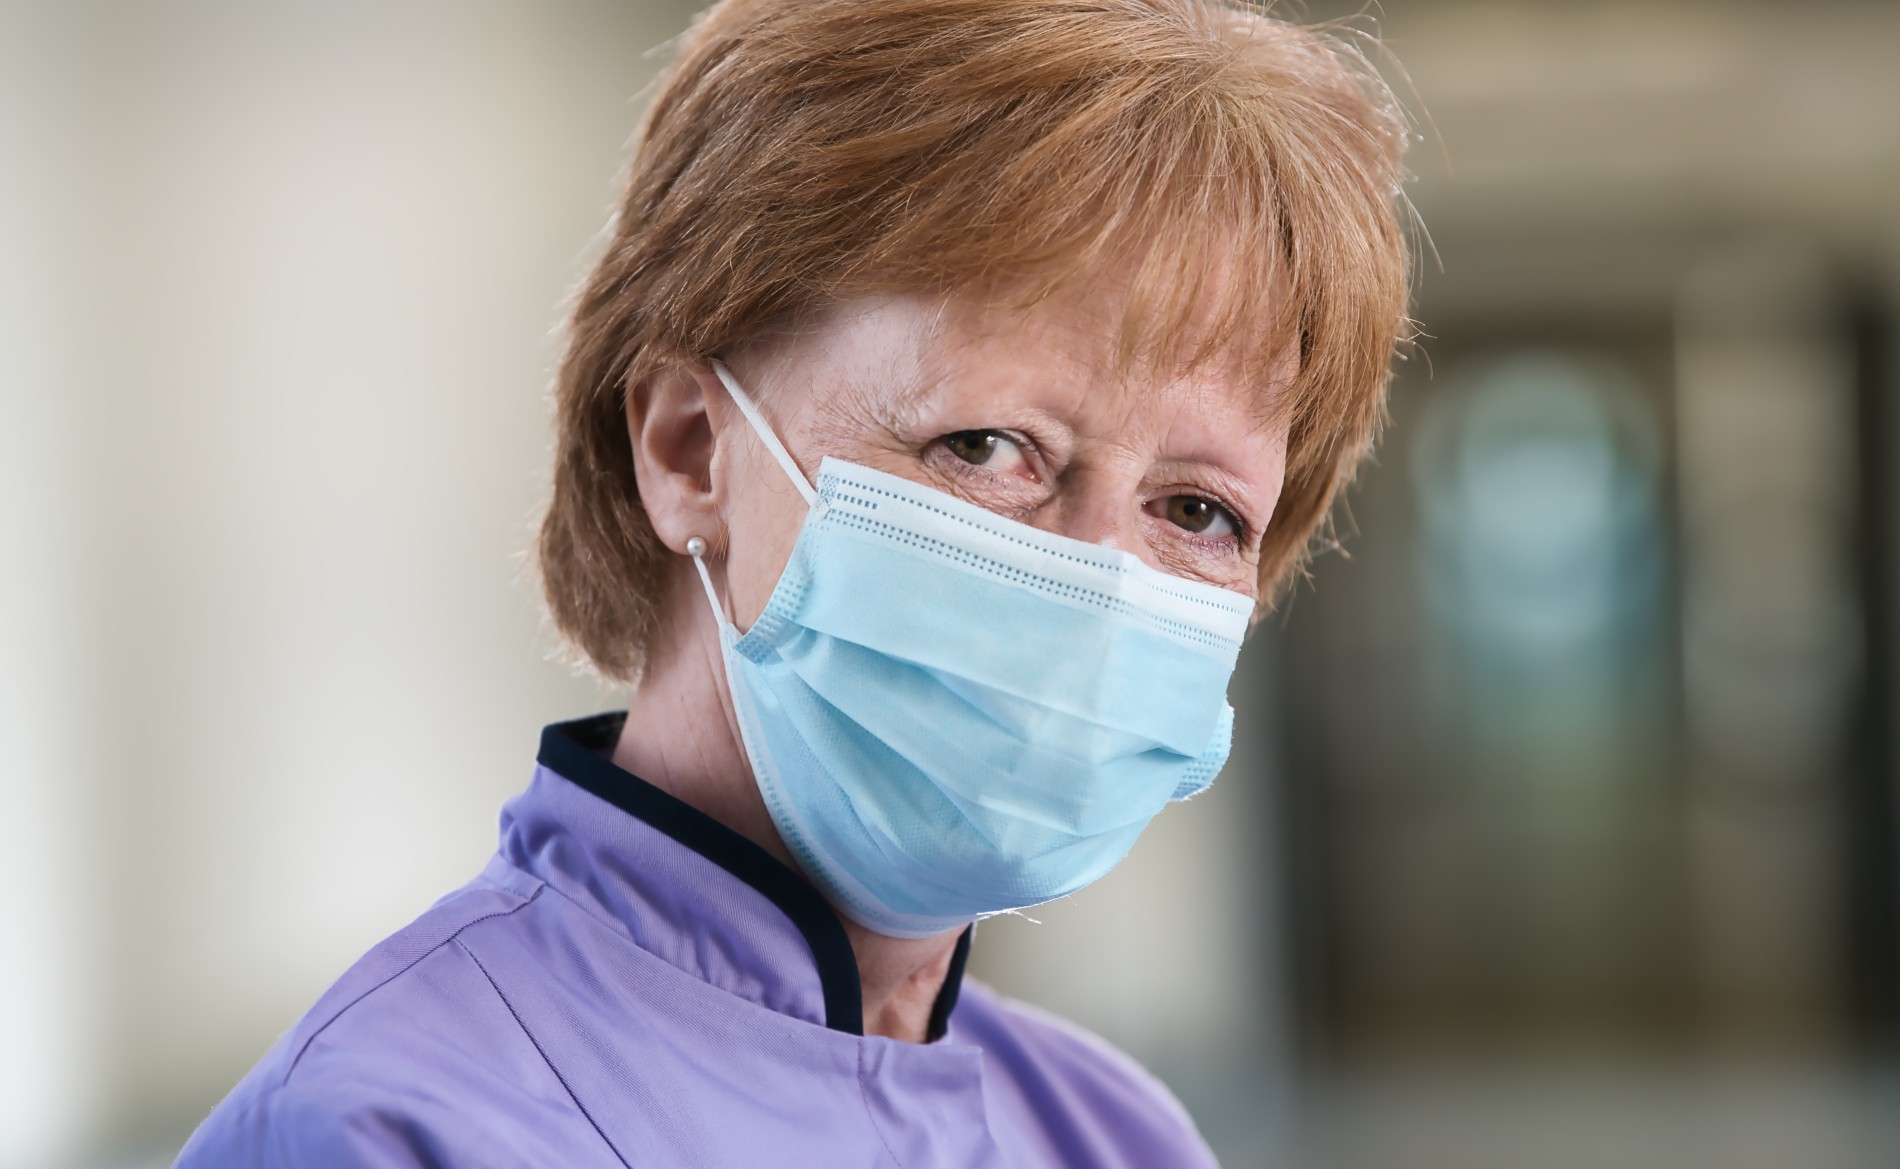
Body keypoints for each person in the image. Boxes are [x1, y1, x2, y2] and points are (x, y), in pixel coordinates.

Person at [176, 0, 1411, 1164]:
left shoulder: (1108, 1131)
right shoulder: (396, 1125)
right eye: (985, 447)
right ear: (688, 450)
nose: (1093, 580)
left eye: (1196, 510)